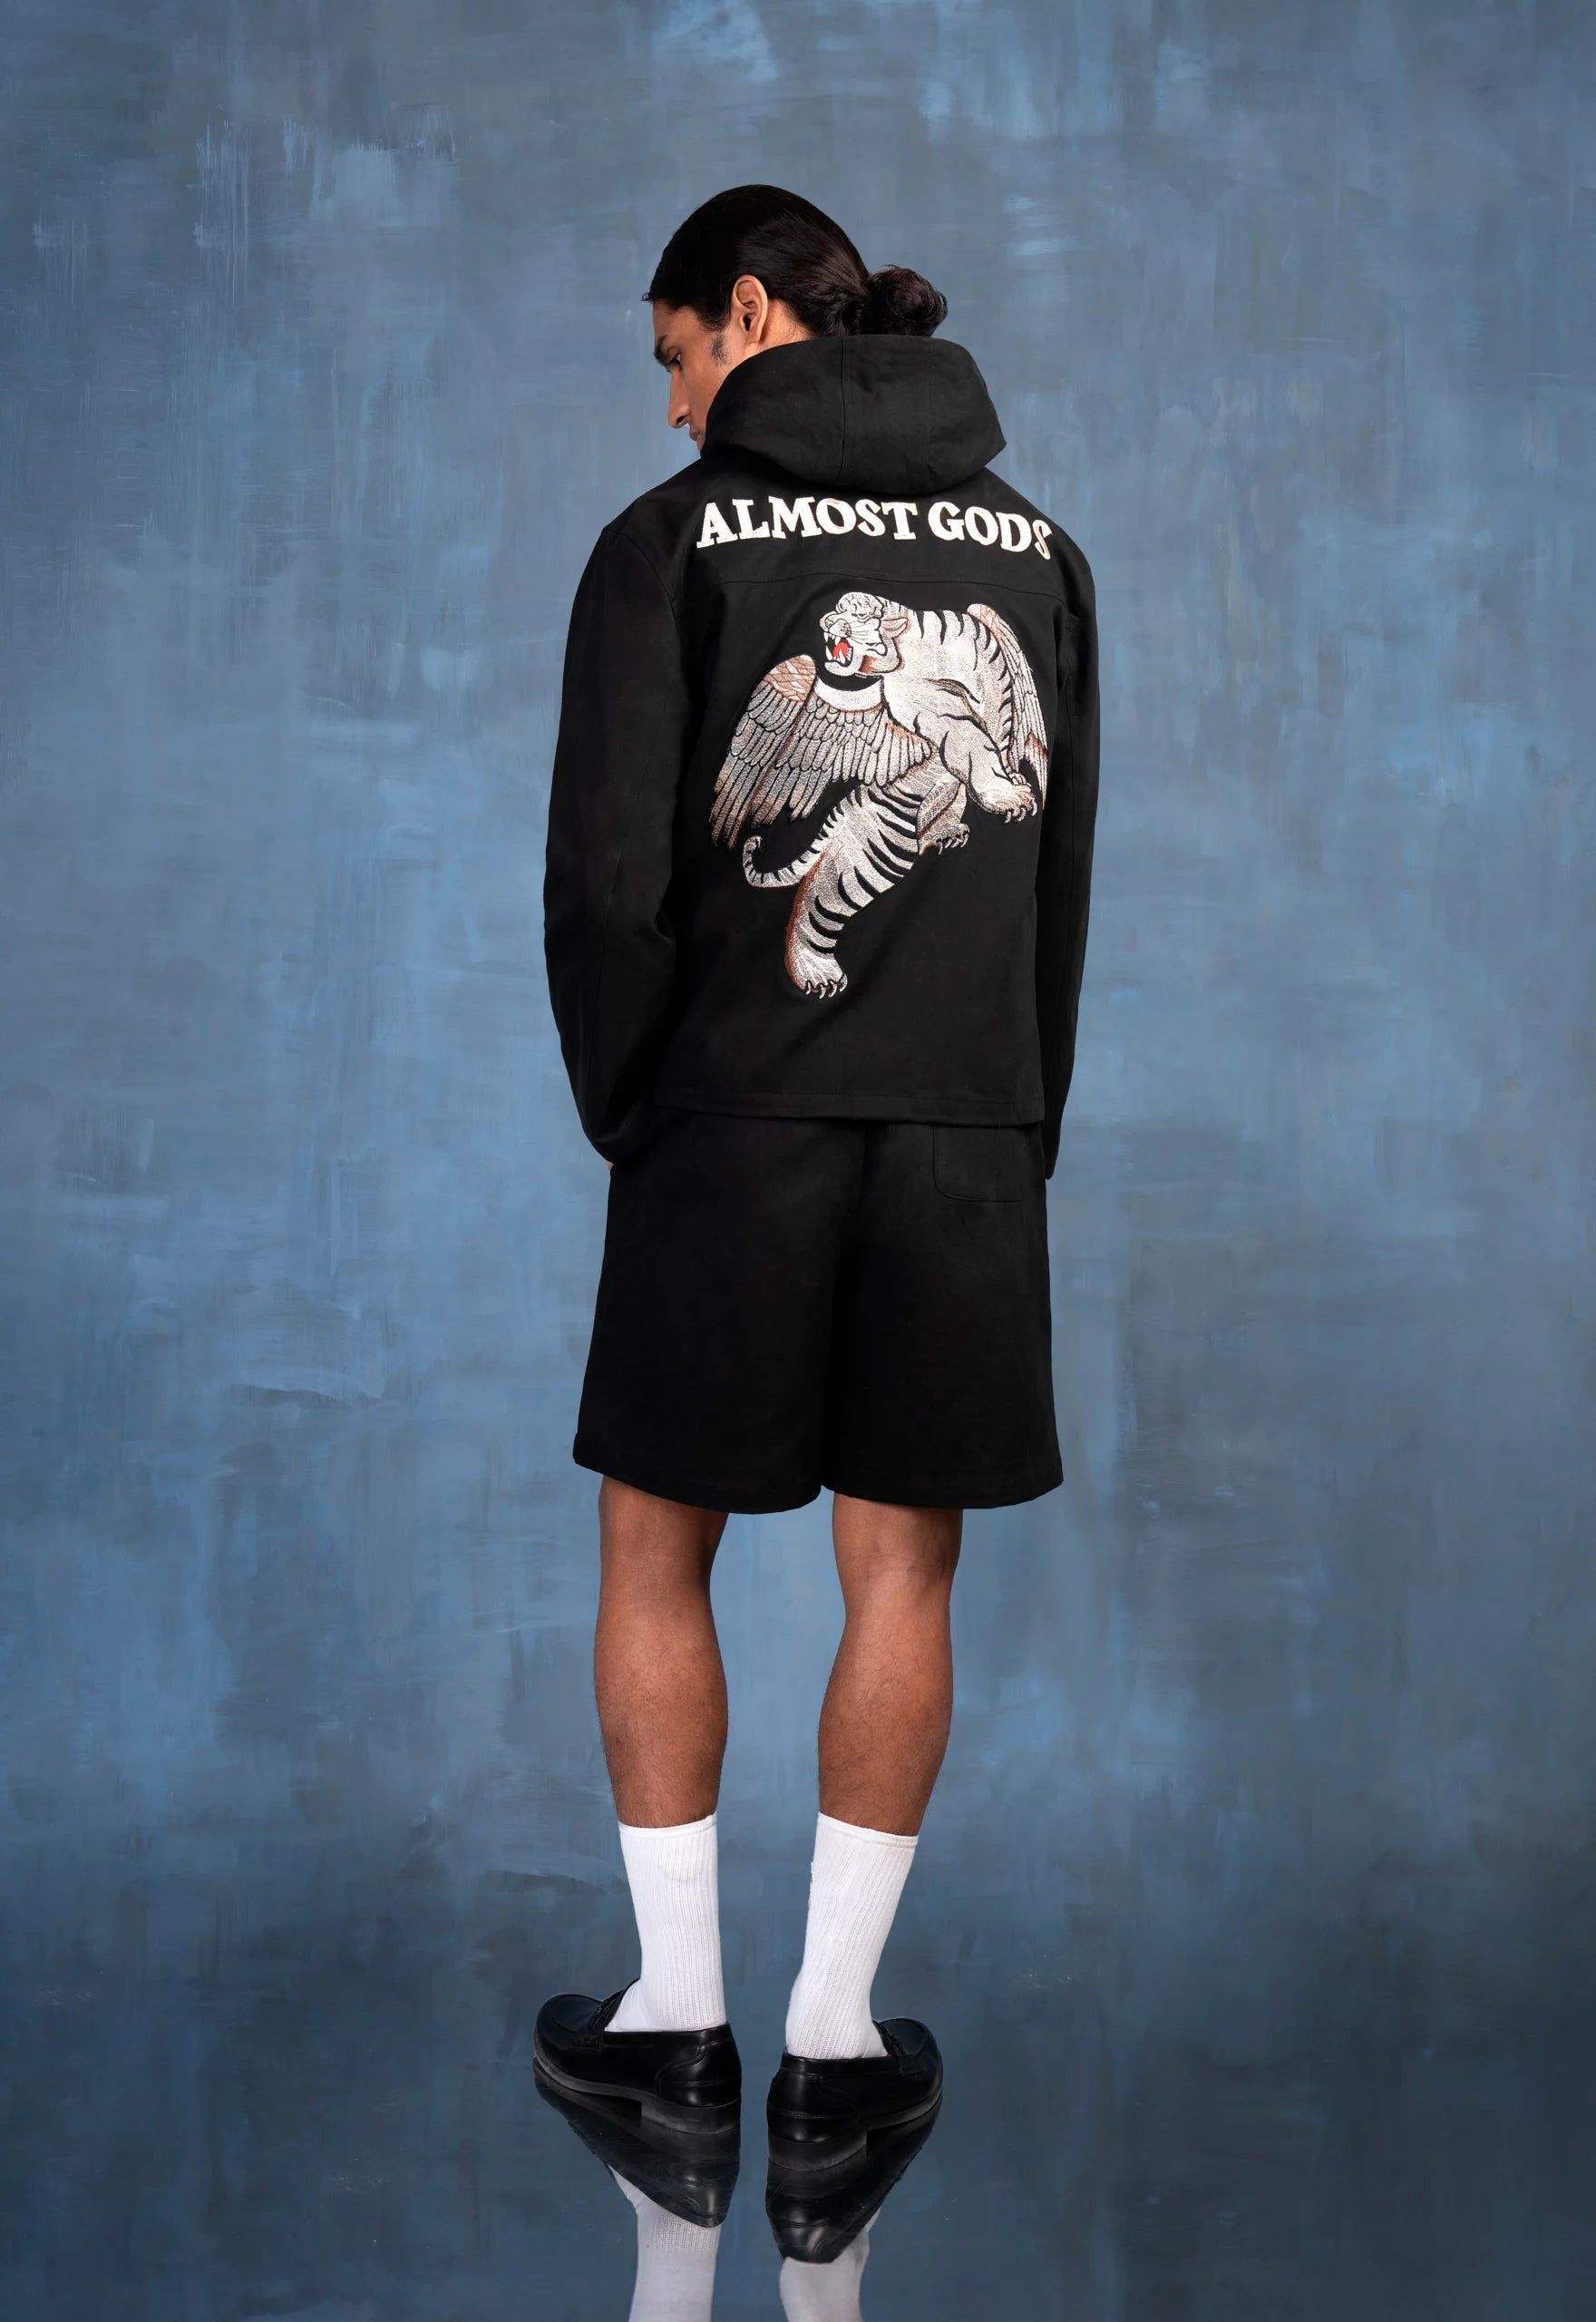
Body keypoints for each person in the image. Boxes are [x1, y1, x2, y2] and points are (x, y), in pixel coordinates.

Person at [534, 185, 1099, 2165]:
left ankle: (676, 2029)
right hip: (964, 1133)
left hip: (730, 1125)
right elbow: (1058, 885)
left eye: (677, 356)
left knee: (652, 1553)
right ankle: (833, 2052)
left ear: (753, 312)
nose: (673, 405)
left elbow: (607, 886)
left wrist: (643, 1110)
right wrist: (1011, 1122)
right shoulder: (1037, 553)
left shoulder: (663, 543)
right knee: (904, 1567)